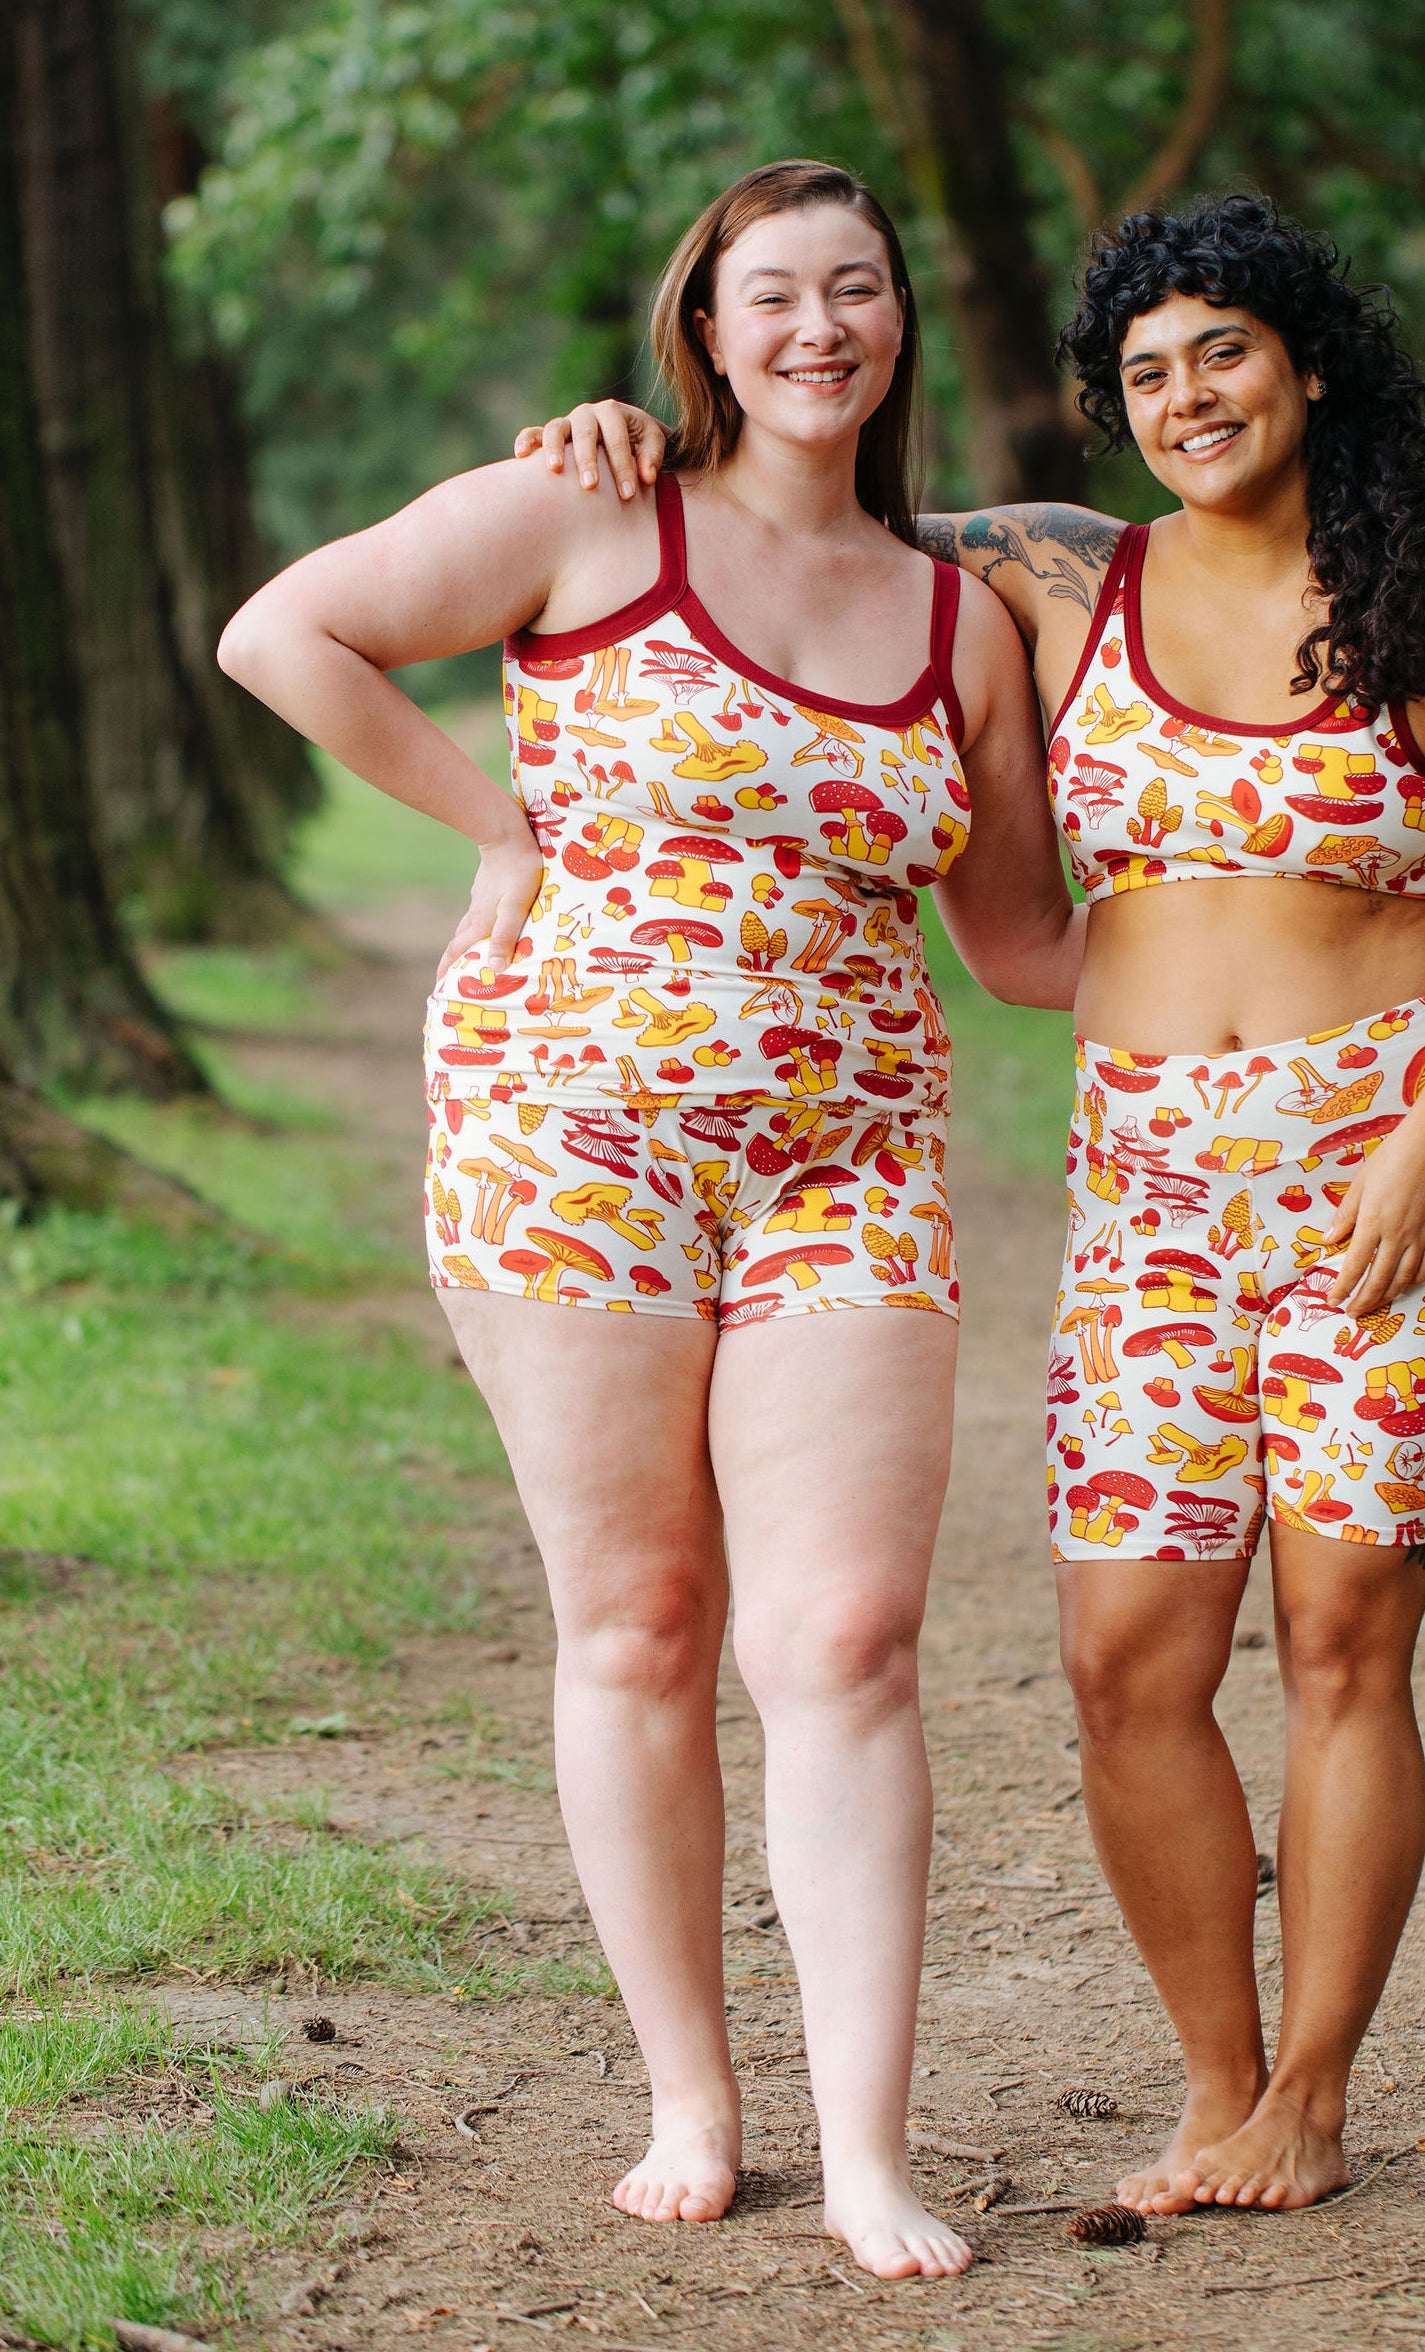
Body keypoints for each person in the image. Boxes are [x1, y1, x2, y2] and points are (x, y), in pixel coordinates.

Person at [518, 189, 1425, 2218]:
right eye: (1146, 370)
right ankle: (1210, 2082)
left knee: (1339, 1646)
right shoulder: (1054, 584)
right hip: (1150, 1185)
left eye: (1224, 353)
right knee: (1125, 1665)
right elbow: (772, 532)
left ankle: (1311, 2091)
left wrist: (1424, 1144)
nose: (1186, 396)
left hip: (1395, 1162)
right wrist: (609, 447)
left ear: (1305, 364)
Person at [218, 159, 1081, 2281]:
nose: (818, 329)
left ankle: (868, 2148)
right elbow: (281, 629)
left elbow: (1019, 943)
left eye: (855, 292)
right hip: (562, 1137)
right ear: (702, 325)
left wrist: (1311, 932)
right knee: (640, 1623)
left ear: (892, 327)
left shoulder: (956, 610)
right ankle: (692, 2098)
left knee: (845, 1638)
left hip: (848, 1163)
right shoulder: (589, 514)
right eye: (770, 294)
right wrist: (493, 817)